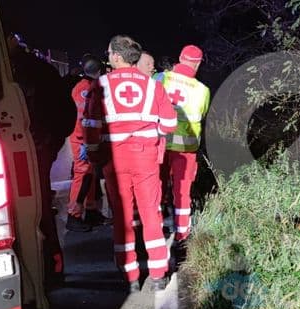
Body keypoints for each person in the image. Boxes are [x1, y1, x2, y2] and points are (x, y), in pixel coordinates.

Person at [82, 35, 178, 292]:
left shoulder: (100, 85)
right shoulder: (154, 87)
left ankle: (131, 276)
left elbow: (91, 127)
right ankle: (158, 274)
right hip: (146, 158)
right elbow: (169, 124)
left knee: (123, 217)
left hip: (115, 159)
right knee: (151, 215)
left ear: (115, 56)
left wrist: (94, 157)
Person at [7, 32, 75, 287]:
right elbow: (67, 113)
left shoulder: (17, 73)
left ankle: (44, 270)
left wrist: (46, 144)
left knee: (36, 211)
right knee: (40, 210)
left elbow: (64, 113)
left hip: (30, 153)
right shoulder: (40, 71)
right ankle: (47, 269)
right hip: (34, 151)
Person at [154, 45, 210, 262]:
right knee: (182, 195)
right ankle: (182, 240)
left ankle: (155, 236)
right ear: (198, 63)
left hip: (159, 145)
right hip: (185, 150)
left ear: (179, 58)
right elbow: (202, 114)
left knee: (156, 191)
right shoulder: (202, 90)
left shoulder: (160, 78)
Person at [66, 54, 109, 232]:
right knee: (82, 175)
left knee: (89, 174)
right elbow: (86, 119)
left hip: (84, 138)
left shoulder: (81, 87)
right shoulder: (88, 89)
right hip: (81, 139)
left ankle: (91, 211)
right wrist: (86, 142)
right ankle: (73, 215)